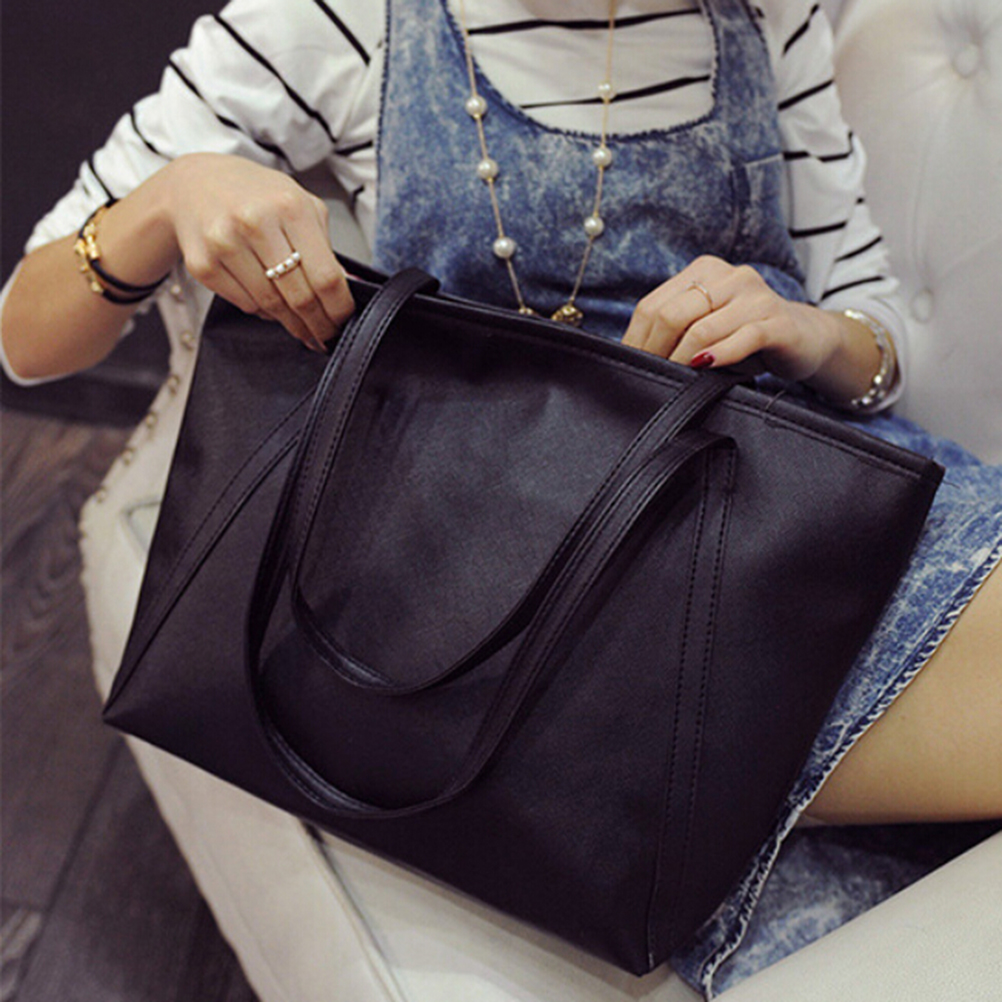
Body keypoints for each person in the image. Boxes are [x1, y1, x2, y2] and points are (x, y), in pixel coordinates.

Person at [2, 0, 999, 995]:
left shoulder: (767, 16)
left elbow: (870, 332)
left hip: (803, 502)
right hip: (552, 583)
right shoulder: (341, 20)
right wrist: (170, 197)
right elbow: (27, 336)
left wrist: (810, 332)